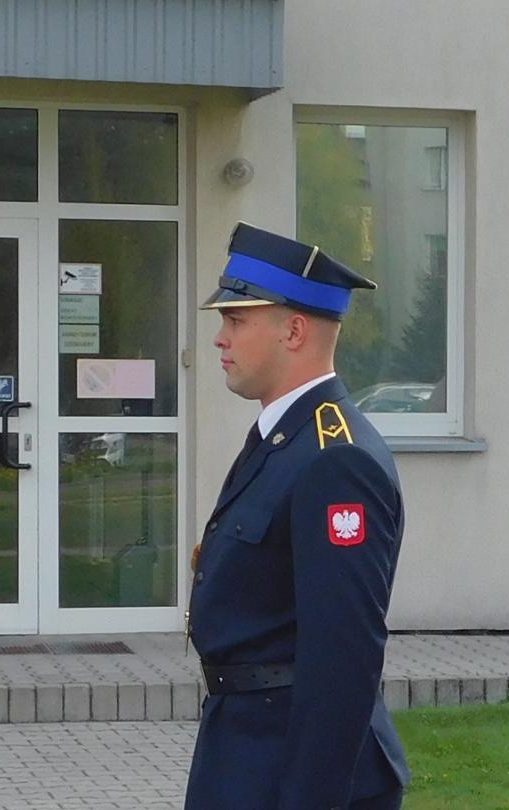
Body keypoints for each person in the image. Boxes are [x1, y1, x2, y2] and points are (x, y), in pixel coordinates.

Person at [184, 222, 410, 810]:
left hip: (289, 764)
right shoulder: (282, 437)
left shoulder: (336, 461)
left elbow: (343, 657)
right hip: (247, 744)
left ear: (293, 329)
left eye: (236, 321)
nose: (220, 338)